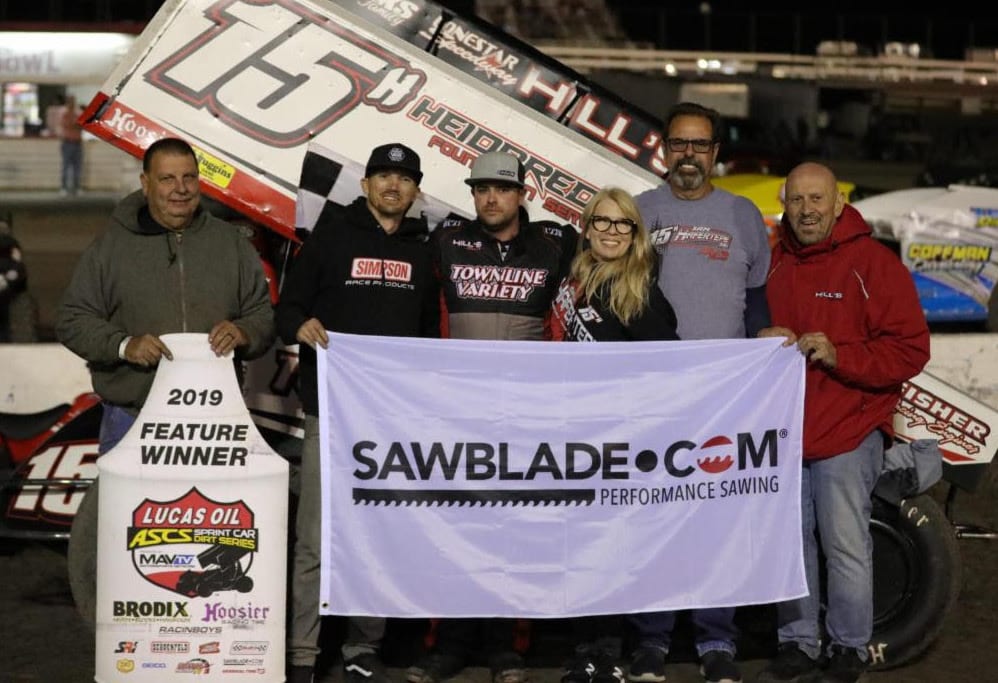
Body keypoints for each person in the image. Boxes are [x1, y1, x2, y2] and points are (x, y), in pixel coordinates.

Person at [55, 135, 276, 625]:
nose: (180, 189)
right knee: (118, 539)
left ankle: (201, 644)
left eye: (189, 178)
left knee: (209, 540)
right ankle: (112, 642)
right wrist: (122, 345)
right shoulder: (110, 246)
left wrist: (243, 331)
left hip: (214, 427)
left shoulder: (228, 244)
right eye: (168, 179)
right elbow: (72, 318)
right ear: (145, 184)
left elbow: (262, 316)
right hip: (131, 419)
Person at [406, 151, 577, 683]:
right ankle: (448, 644)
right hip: (458, 412)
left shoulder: (556, 244)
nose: (490, 199)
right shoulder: (447, 242)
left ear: (522, 193)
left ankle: (507, 646)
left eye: (501, 189)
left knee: (514, 527)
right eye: (480, 189)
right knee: (454, 527)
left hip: (526, 414)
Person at [755, 162, 930, 683]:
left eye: (817, 200)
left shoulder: (873, 264)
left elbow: (910, 349)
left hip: (848, 433)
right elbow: (748, 326)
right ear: (785, 204)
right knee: (794, 546)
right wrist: (758, 335)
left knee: (845, 545)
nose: (807, 210)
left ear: (837, 203)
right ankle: (799, 643)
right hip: (786, 434)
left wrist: (840, 354)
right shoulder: (772, 262)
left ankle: (850, 647)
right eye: (797, 201)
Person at [276, 142, 441, 683]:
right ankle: (303, 651)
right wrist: (299, 325)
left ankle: (362, 646)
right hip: (331, 412)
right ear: (366, 184)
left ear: (417, 190)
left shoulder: (423, 251)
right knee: (316, 540)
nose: (394, 186)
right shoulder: (332, 237)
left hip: (390, 422)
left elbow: (427, 337)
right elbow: (288, 308)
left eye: (405, 178)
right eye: (384, 176)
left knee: (378, 536)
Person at [628, 101, 773, 683]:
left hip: (724, 396)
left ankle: (716, 640)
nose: (688, 155)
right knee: (653, 517)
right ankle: (652, 640)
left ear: (715, 154)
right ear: (666, 149)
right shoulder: (638, 211)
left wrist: (768, 344)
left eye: (700, 145)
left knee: (717, 521)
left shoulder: (742, 215)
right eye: (679, 144)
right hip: (655, 393)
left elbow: (758, 299)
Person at [550, 186, 678, 683]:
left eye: (622, 224)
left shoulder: (640, 293)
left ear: (635, 235)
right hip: (570, 435)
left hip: (616, 443)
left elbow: (665, 369)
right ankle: (583, 648)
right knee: (577, 547)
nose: (610, 231)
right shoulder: (576, 276)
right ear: (586, 227)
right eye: (601, 221)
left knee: (609, 548)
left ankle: (606, 652)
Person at [59, 95, 84, 196]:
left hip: (77, 142)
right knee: (65, 166)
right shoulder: (64, 112)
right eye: (70, 101)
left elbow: (81, 125)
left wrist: (76, 123)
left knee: (77, 167)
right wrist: (75, 123)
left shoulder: (78, 112)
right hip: (67, 142)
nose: (71, 103)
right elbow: (68, 124)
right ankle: (64, 187)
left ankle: (77, 187)